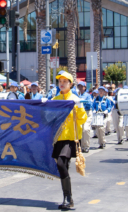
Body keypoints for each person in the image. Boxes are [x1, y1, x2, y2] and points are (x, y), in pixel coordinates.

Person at [51, 71, 87, 210]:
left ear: (70, 84)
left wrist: (78, 107)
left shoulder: (75, 98)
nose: (62, 83)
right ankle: (68, 198)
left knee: (61, 164)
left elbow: (83, 119)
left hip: (70, 138)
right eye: (60, 81)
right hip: (58, 138)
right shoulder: (55, 99)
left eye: (65, 81)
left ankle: (68, 197)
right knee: (63, 167)